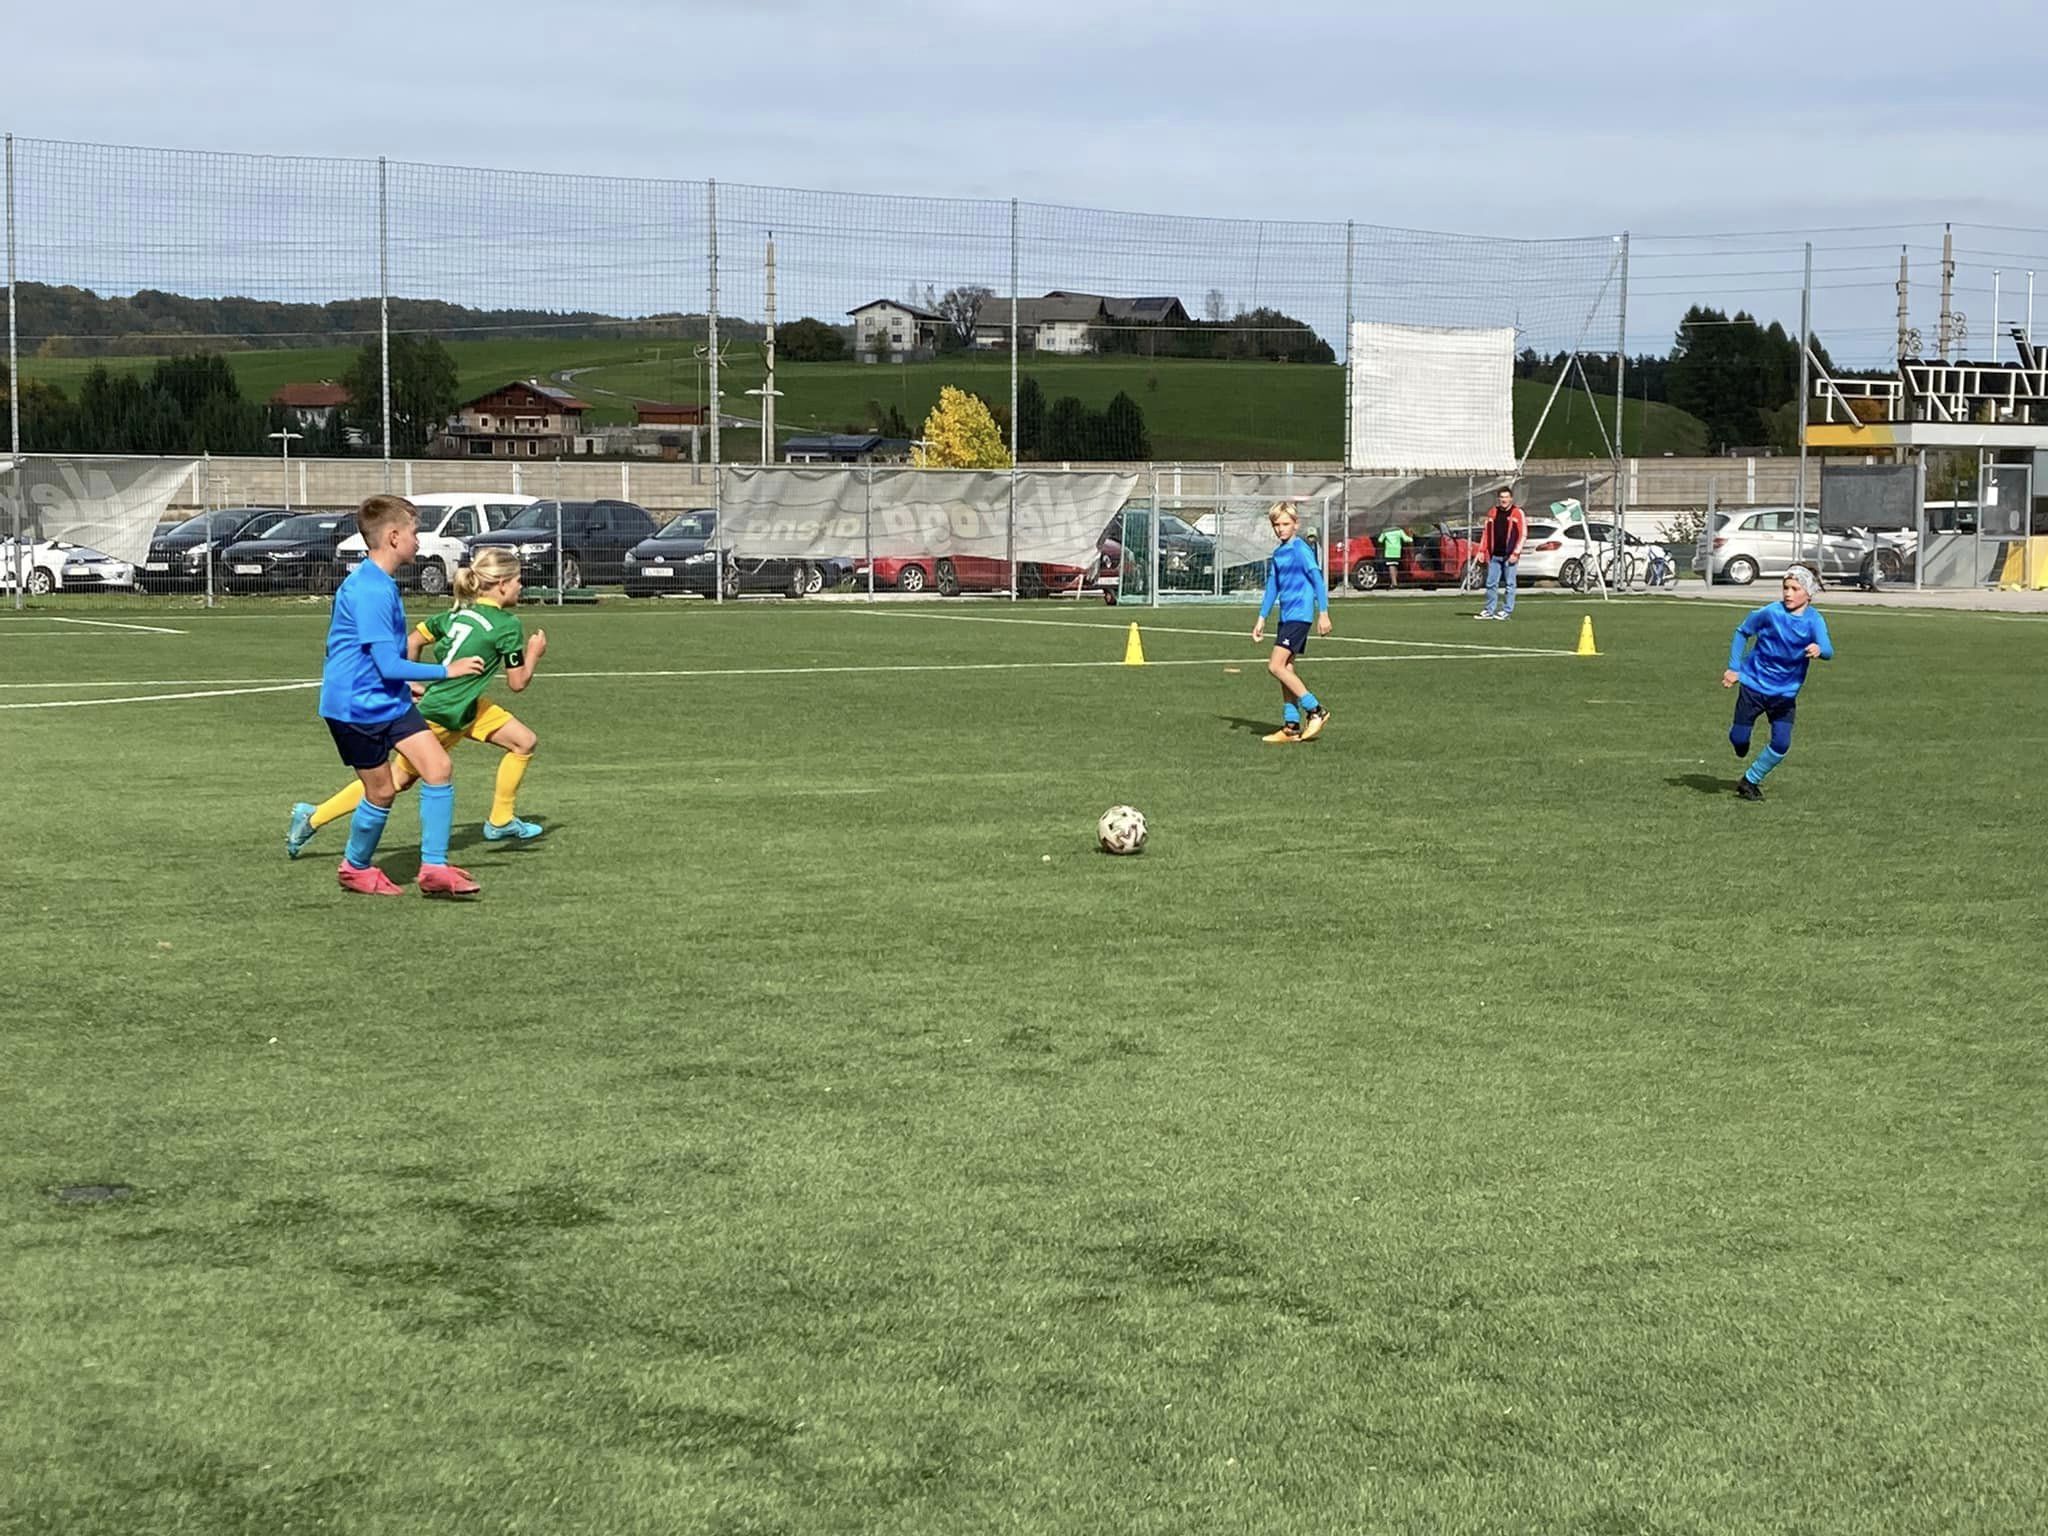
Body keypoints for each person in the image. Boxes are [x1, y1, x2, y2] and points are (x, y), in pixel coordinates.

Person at [290, 546, 549, 857]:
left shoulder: (455, 614)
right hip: (445, 712)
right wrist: (534, 653)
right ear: (503, 584)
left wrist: (409, 680)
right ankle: (313, 817)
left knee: (523, 741)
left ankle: (501, 819)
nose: (521, 586)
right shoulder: (507, 625)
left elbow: (414, 639)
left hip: (467, 706)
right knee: (393, 781)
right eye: (518, 580)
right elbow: (517, 682)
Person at [311, 494, 487, 897]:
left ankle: (434, 868)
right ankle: (354, 868)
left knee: (438, 767)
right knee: (382, 791)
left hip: (387, 696)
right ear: (393, 537)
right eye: (414, 532)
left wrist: (405, 684)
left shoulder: (379, 583)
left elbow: (370, 655)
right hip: (354, 707)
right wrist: (447, 671)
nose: (418, 540)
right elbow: (389, 663)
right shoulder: (370, 590)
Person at [1722, 564, 1834, 802]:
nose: (1788, 594)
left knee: (1782, 743)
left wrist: (1819, 649)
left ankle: (1750, 781)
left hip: (1784, 694)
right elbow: (1742, 632)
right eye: (1785, 588)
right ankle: (1740, 741)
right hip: (1753, 686)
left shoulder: (1814, 620)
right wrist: (1734, 668)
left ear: (1809, 593)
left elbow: (1828, 649)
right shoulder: (1771, 612)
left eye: (1795, 589)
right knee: (1739, 740)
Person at [1250, 501, 1333, 743]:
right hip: (1286, 616)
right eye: (1276, 524)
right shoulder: (1279, 553)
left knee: (1275, 666)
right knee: (1286, 668)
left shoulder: (1300, 549)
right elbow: (1272, 587)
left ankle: (1316, 710)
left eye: (1285, 524)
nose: (1281, 529)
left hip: (1300, 616)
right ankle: (1291, 726)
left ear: (1296, 525)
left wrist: (1323, 612)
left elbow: (1317, 580)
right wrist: (1262, 618)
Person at [1476, 486, 1527, 619]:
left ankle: (1506, 610)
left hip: (1509, 556)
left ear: (1511, 498)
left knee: (1510, 584)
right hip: (1494, 555)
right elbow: (1486, 533)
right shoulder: (1492, 512)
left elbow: (1523, 534)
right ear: (1498, 499)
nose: (1504, 500)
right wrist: (1482, 550)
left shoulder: (1517, 513)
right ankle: (1489, 610)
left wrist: (1516, 553)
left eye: (1506, 497)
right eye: (1502, 497)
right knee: (1491, 583)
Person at [1377, 523, 1408, 588]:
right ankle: (1394, 582)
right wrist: (1411, 538)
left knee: (1391, 566)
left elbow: (1380, 540)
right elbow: (1406, 539)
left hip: (1389, 551)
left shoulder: (1385, 531)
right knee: (1395, 566)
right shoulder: (1399, 531)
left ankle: (1394, 583)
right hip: (1397, 551)